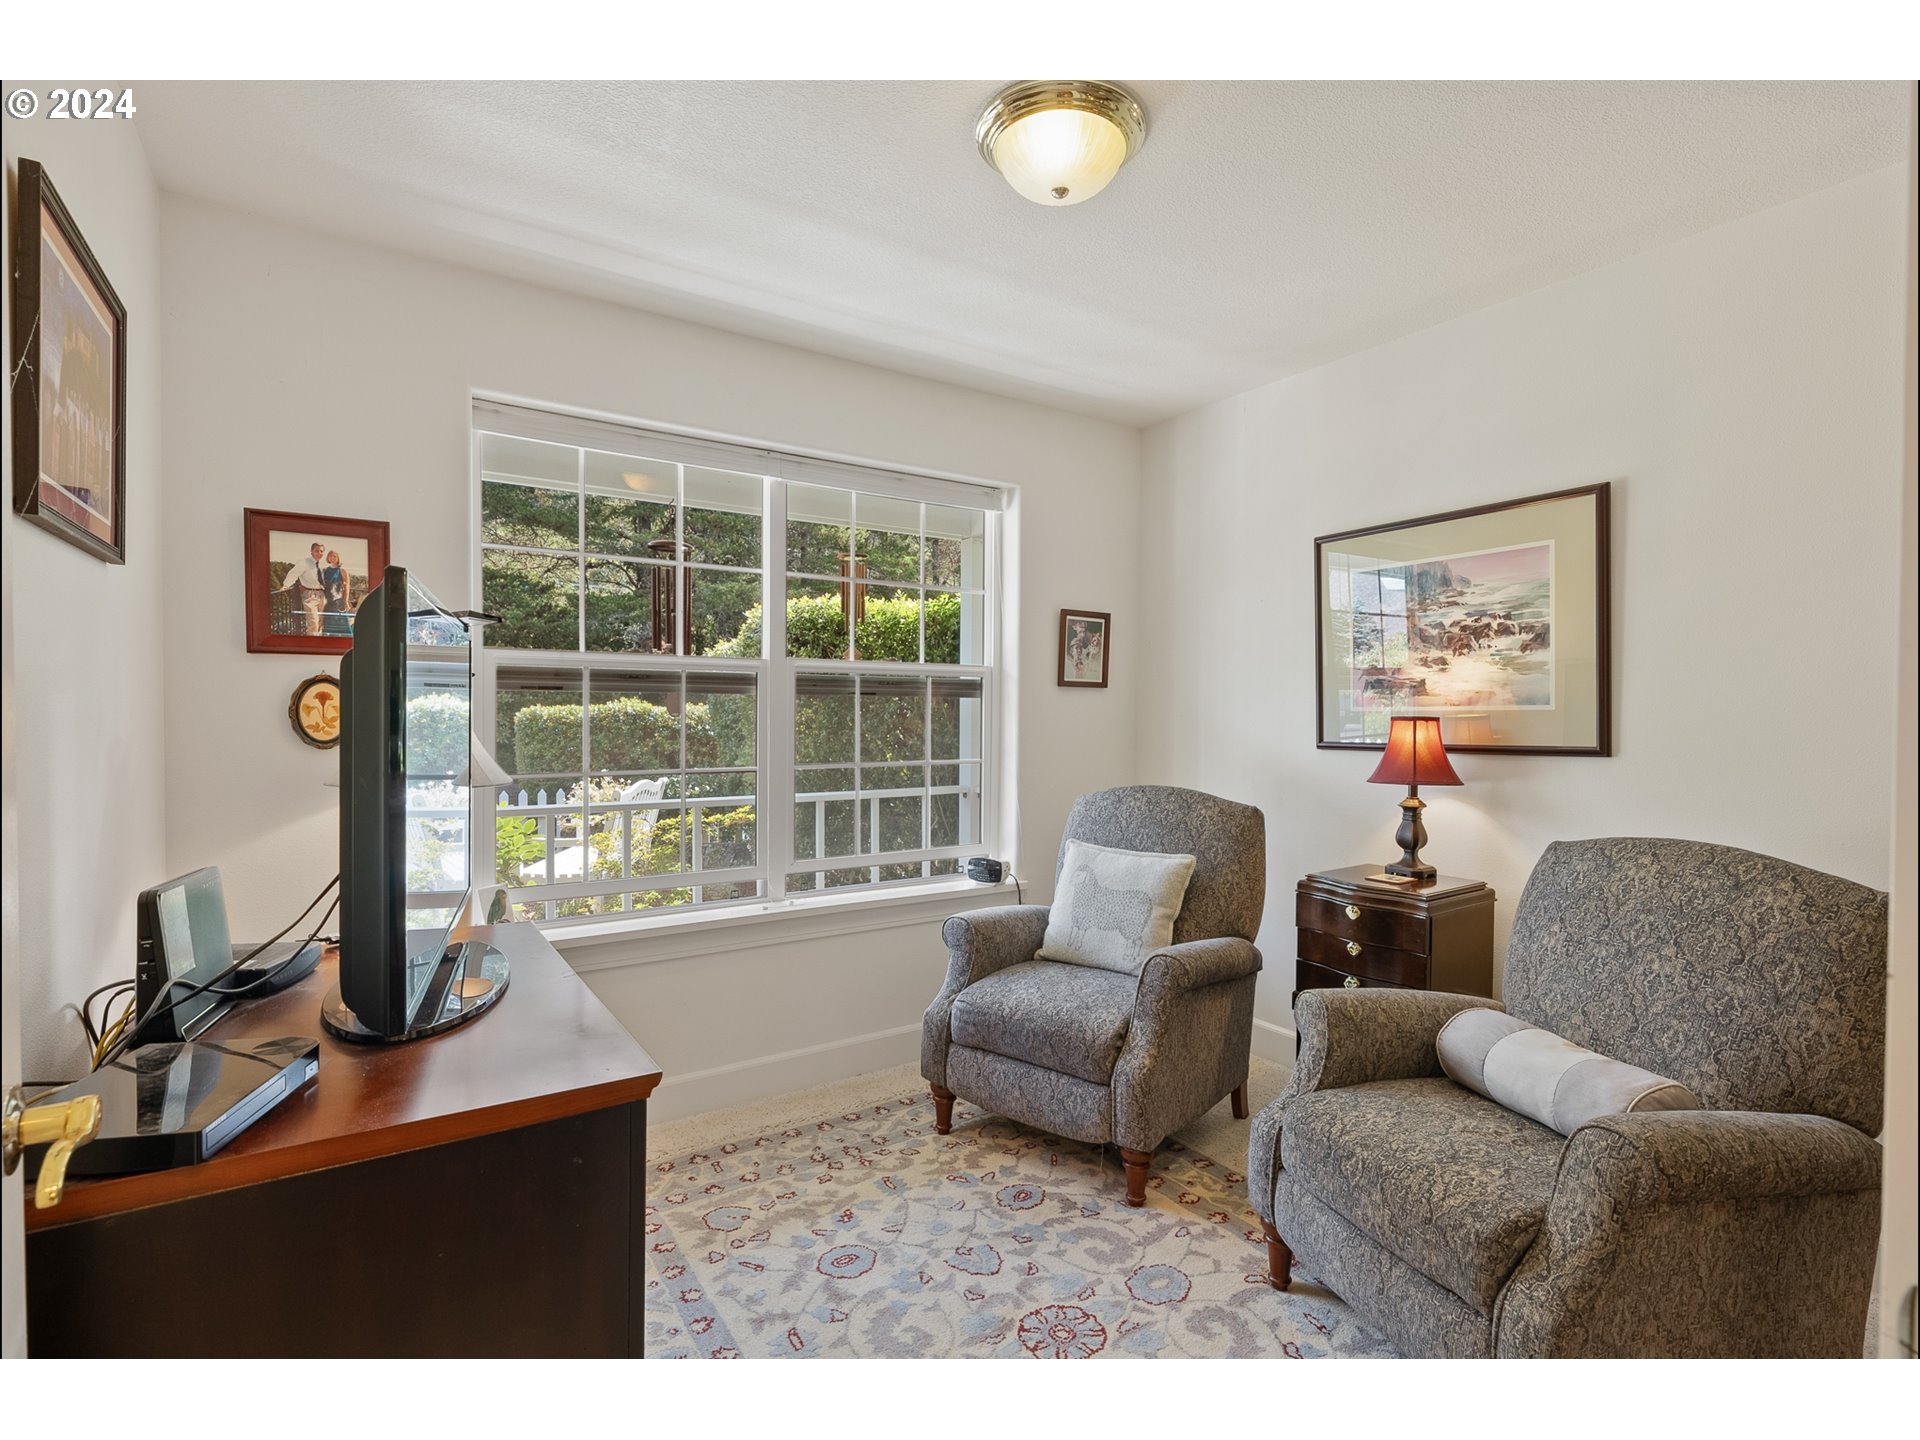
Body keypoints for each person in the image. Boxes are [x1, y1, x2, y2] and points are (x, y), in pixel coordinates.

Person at [277, 540, 329, 636]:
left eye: (321, 551)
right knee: (313, 621)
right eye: (317, 551)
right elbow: (294, 574)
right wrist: (286, 585)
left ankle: (319, 642)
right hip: (310, 595)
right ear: (311, 551)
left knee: (322, 621)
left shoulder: (322, 565)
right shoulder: (305, 562)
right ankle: (313, 645)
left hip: (322, 595)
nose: (319, 553)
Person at [321, 549, 352, 636]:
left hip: (339, 601)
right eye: (330, 556)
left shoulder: (342, 571)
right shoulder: (325, 570)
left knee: (343, 626)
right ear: (328, 558)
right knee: (329, 627)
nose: (332, 558)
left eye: (335, 556)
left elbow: (347, 586)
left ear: (338, 558)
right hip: (328, 601)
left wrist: (345, 601)